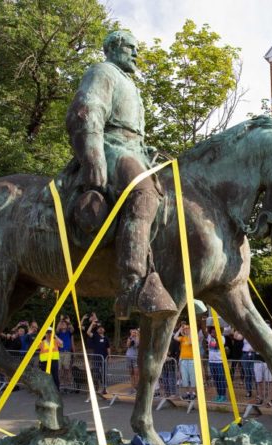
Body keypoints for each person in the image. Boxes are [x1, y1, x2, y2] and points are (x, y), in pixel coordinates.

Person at [66, 30, 176, 320]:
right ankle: (131, 285)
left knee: (174, 198)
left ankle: (169, 281)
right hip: (111, 147)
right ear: (113, 48)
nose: (136, 53)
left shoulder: (130, 83)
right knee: (144, 193)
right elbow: (86, 112)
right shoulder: (103, 72)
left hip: (135, 150)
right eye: (131, 47)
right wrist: (93, 160)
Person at [86, 321, 111, 394]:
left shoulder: (106, 338)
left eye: (102, 328)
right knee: (96, 372)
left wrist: (110, 357)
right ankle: (97, 386)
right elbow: (88, 332)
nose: (100, 329)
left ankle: (105, 388)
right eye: (99, 328)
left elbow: (108, 348)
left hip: (104, 358)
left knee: (104, 373)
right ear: (97, 330)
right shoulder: (95, 336)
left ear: (104, 330)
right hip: (96, 358)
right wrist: (92, 324)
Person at [174, 322, 196, 400]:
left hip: (191, 360)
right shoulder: (182, 338)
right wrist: (180, 329)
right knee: (185, 378)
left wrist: (190, 333)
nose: (186, 330)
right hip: (183, 360)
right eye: (185, 329)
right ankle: (187, 393)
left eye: (187, 329)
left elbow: (190, 342)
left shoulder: (193, 337)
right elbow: (175, 337)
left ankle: (193, 393)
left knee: (192, 377)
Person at [207, 332, 227, 402]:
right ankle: (218, 394)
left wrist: (216, 337)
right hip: (211, 361)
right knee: (216, 380)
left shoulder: (222, 337)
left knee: (221, 379)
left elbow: (218, 346)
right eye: (212, 330)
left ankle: (223, 395)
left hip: (219, 361)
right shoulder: (209, 337)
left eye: (214, 329)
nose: (212, 331)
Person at [56, 316, 75, 390]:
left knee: (67, 368)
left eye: (64, 324)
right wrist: (60, 321)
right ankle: (60, 383)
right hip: (60, 352)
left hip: (67, 352)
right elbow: (57, 329)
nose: (63, 324)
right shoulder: (58, 333)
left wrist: (68, 322)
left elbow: (72, 329)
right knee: (59, 369)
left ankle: (69, 382)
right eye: (62, 324)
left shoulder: (68, 332)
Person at [239, 332, 255, 399]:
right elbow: (237, 337)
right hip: (245, 354)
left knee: (254, 374)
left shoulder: (256, 333)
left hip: (253, 354)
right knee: (247, 374)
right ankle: (249, 391)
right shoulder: (245, 333)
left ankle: (259, 393)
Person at [125, 328, 140, 394]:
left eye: (135, 332)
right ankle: (132, 388)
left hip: (135, 357)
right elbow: (127, 345)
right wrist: (131, 337)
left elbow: (137, 344)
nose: (134, 333)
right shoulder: (130, 338)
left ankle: (137, 387)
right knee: (131, 374)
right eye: (132, 332)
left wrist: (137, 336)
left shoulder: (138, 338)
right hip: (129, 356)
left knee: (136, 374)